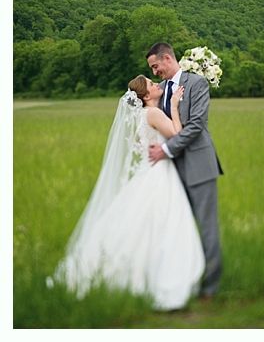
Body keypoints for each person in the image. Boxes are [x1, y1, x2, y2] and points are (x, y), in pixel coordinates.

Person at [50, 76, 204, 310]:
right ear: (145, 97)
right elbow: (176, 133)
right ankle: (154, 274)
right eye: (152, 85)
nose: (156, 85)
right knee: (163, 222)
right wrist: (174, 105)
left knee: (142, 222)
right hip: (159, 173)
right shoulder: (153, 113)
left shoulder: (141, 117)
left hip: (148, 170)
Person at [146, 42, 224, 299]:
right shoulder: (160, 91)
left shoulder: (197, 84)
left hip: (199, 166)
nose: (154, 72)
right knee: (179, 228)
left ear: (167, 58)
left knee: (206, 227)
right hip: (171, 173)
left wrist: (165, 150)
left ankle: (210, 288)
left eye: (155, 66)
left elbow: (196, 126)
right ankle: (184, 279)